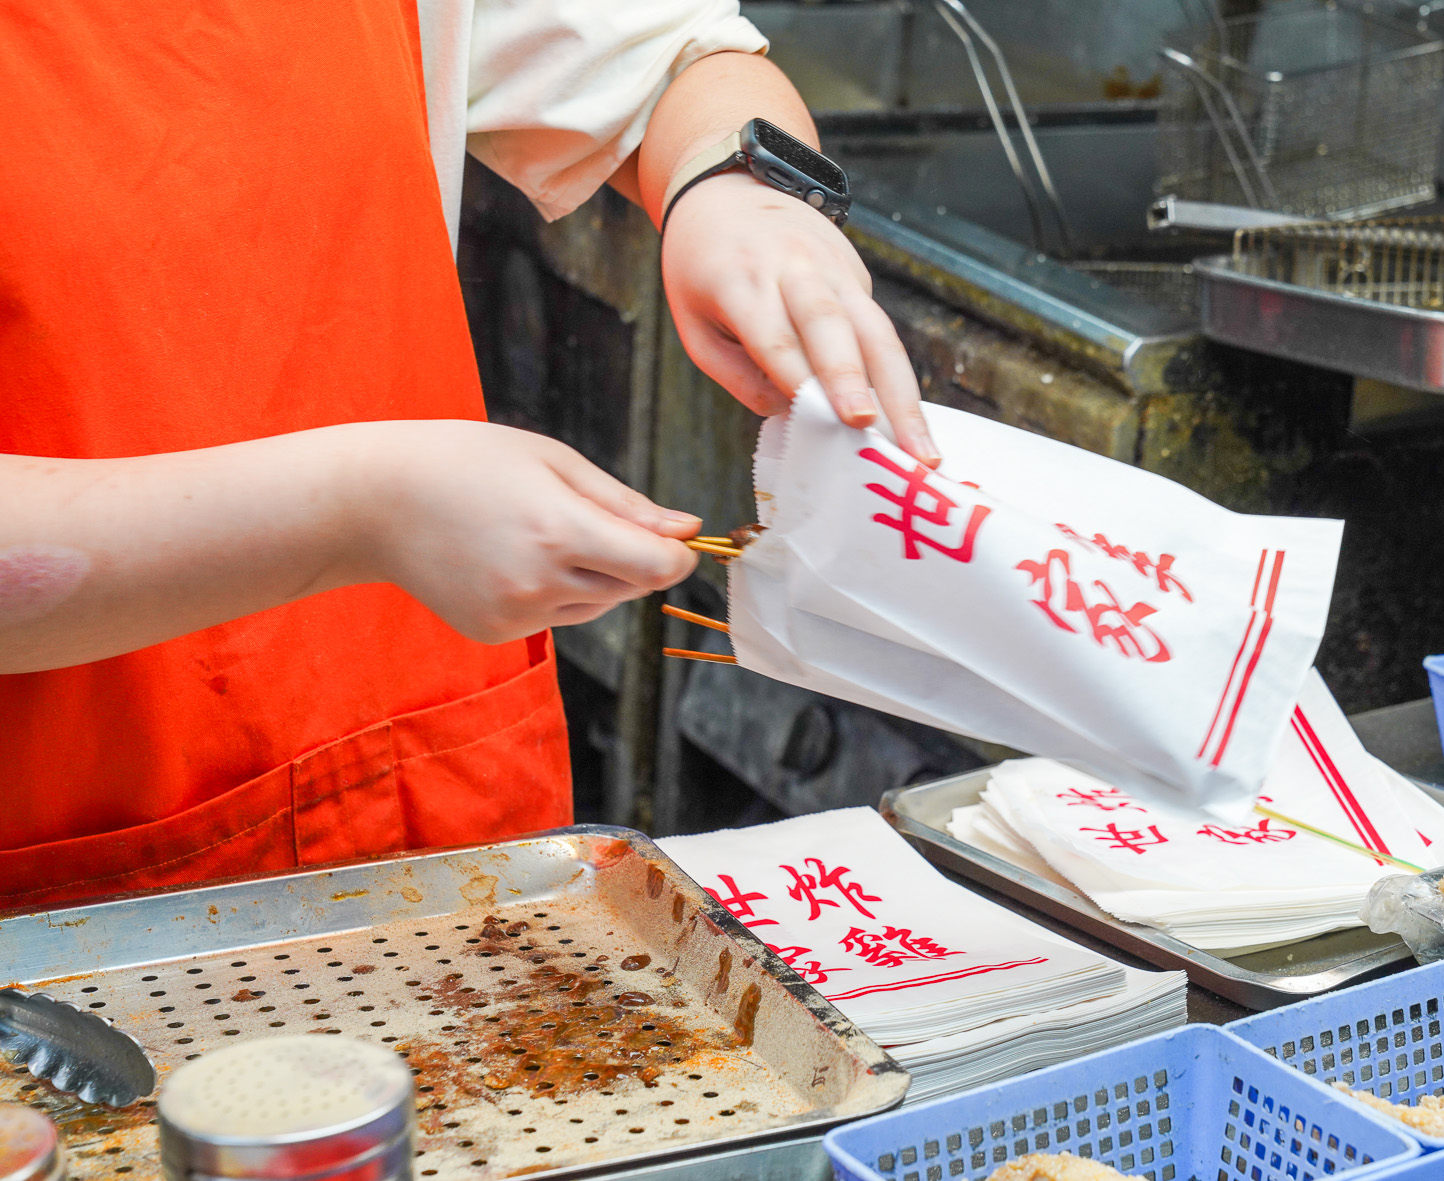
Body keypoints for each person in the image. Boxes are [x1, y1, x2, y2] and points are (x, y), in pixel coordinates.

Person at [0, 0, 937, 909]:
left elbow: (672, 62)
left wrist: (733, 186)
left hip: (411, 788)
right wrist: (362, 513)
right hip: (60, 866)